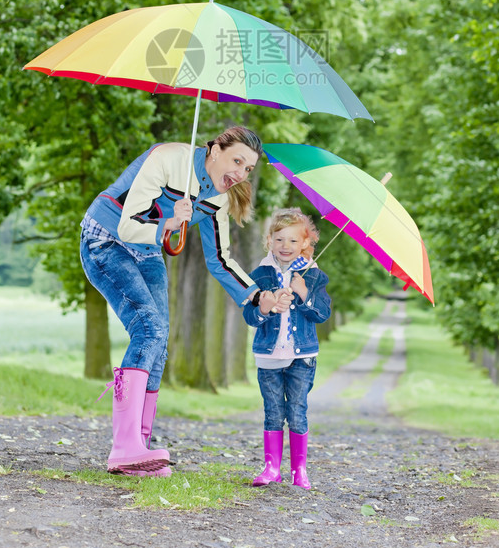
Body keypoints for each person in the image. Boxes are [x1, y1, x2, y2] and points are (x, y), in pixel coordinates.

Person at [80, 125, 290, 477]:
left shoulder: (218, 200)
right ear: (215, 150)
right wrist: (171, 222)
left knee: (159, 342)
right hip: (106, 238)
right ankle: (124, 446)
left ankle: (139, 453)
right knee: (150, 330)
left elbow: (220, 260)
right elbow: (129, 226)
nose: (239, 174)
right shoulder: (167, 159)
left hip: (146, 251)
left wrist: (257, 296)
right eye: (236, 161)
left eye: (248, 169)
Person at [242, 207, 332, 490]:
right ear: (269, 240)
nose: (286, 246)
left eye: (293, 241)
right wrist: (264, 309)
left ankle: (299, 470)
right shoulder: (260, 274)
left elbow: (322, 314)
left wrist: (304, 294)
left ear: (305, 243)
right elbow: (249, 316)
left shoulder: (314, 277)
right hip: (269, 356)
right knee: (272, 411)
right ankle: (271, 468)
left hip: (301, 357)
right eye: (279, 239)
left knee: (296, 410)